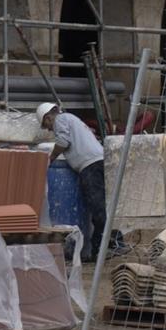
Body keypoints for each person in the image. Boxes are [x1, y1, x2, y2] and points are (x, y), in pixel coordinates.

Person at [39, 101, 107, 260]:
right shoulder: (71, 119)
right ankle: (107, 245)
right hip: (97, 162)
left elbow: (63, 142)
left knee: (98, 208)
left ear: (48, 117)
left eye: (46, 125)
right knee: (101, 206)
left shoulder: (61, 120)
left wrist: (50, 158)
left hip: (90, 165)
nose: (49, 129)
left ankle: (99, 251)